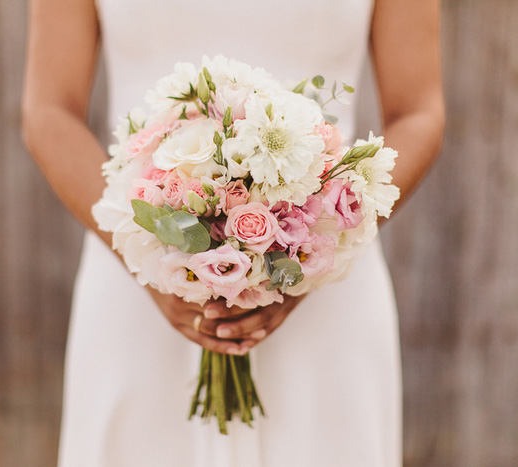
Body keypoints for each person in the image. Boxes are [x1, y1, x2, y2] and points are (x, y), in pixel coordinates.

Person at [22, 0, 445, 465]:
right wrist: (153, 258)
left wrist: (306, 256)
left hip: (325, 287)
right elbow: (49, 111)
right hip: (137, 279)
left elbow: (419, 112)